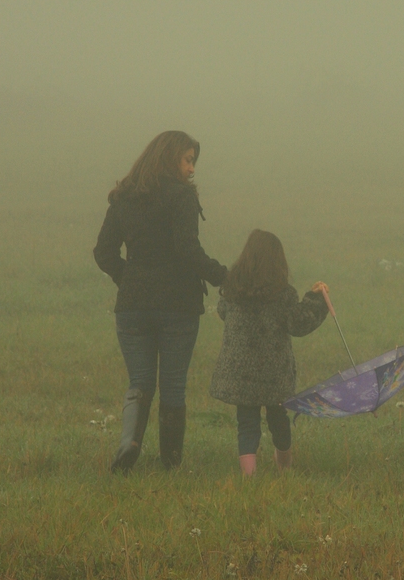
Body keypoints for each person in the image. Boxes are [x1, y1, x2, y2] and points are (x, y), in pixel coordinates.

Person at [93, 130, 227, 473]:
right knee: (172, 385)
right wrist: (224, 276)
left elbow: (104, 253)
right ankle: (171, 464)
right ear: (170, 159)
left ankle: (129, 444)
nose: (191, 169)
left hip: (133, 306)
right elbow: (187, 248)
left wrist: (131, 280)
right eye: (187, 160)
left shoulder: (123, 197)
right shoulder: (181, 196)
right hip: (178, 304)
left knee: (139, 382)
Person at [209, 229, 330, 476]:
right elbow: (299, 323)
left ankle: (249, 475)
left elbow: (222, 312)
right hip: (274, 374)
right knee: (278, 419)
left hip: (240, 373)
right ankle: (284, 467)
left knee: (246, 423)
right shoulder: (282, 294)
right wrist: (316, 299)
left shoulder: (232, 291)